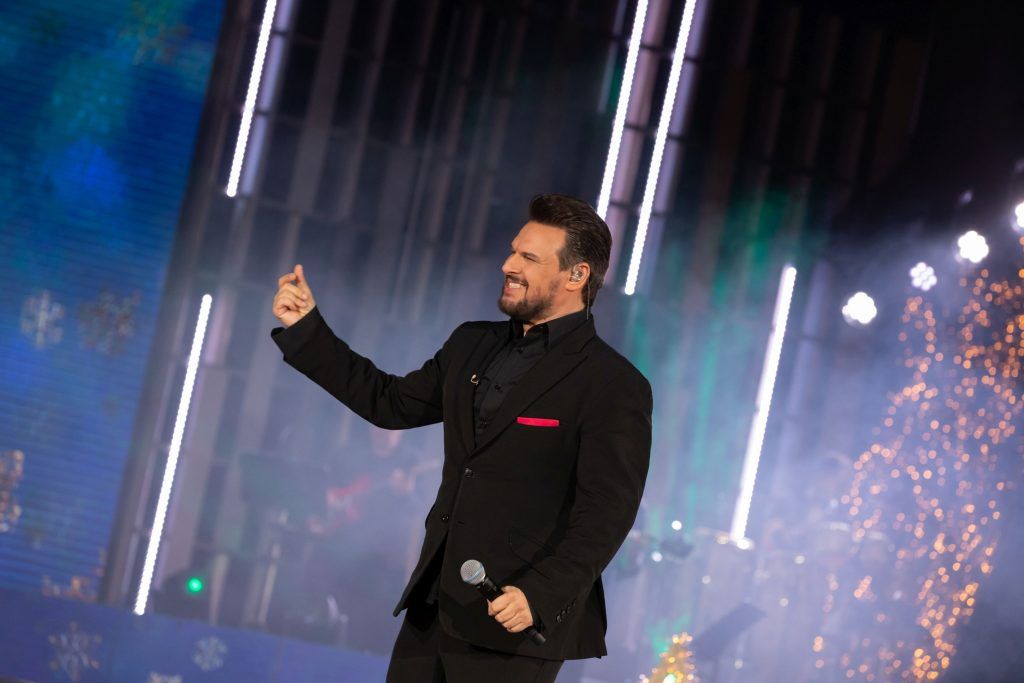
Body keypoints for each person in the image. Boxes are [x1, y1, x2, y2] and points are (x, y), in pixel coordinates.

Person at [271, 193, 653, 682]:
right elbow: (388, 403)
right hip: (434, 608)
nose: (508, 265)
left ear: (576, 275)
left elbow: (606, 514)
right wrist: (306, 329)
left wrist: (539, 593)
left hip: (515, 622)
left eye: (529, 258)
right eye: (513, 251)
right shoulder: (472, 343)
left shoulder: (612, 384)